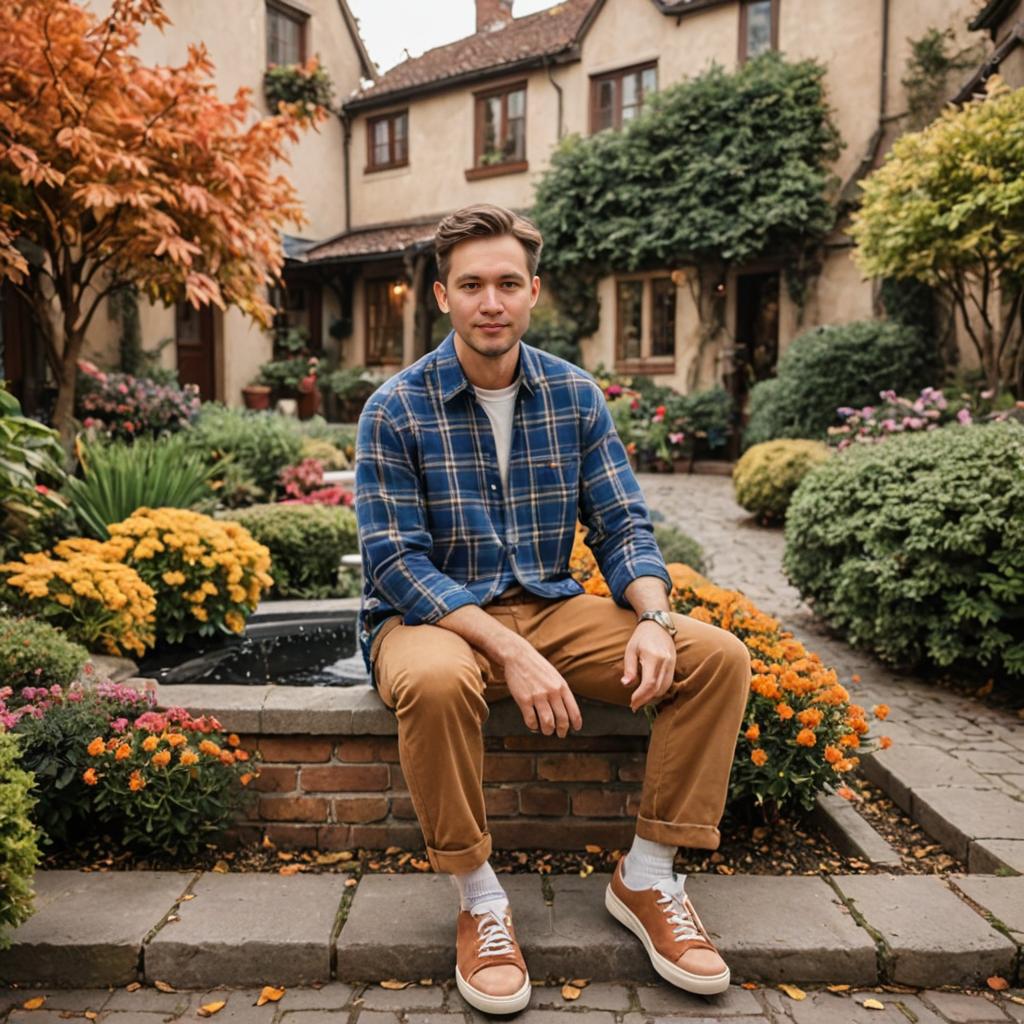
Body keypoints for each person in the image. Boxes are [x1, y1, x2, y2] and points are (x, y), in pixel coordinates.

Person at [354, 204, 752, 1014]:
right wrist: (507, 648)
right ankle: (480, 899)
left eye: (507, 283)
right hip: (432, 622)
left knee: (717, 658)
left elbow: (622, 523)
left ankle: (646, 878)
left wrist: (650, 615)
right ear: (443, 297)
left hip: (550, 603)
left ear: (534, 291)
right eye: (472, 285)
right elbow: (396, 561)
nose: (490, 301)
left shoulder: (573, 396)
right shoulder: (395, 408)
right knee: (434, 685)